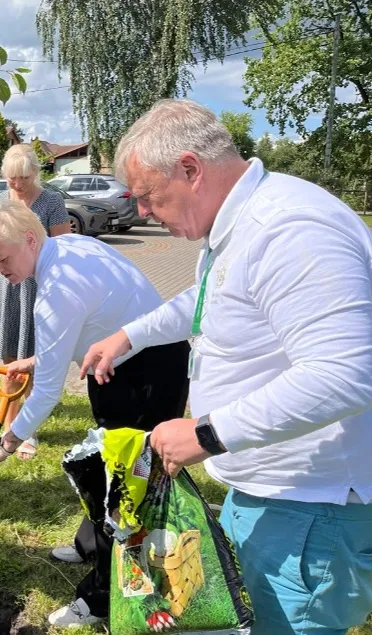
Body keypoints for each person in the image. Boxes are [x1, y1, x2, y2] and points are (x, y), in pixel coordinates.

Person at [81, 99, 372, 635]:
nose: (142, 214)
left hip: (310, 509)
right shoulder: (235, 226)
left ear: (190, 170)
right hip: (269, 492)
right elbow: (209, 297)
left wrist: (208, 433)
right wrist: (130, 335)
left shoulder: (290, 228)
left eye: (147, 197)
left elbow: (344, 374)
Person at [0, 199, 189, 628]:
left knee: (123, 487)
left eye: (2, 258)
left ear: (30, 240)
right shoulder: (71, 246)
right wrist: (35, 360)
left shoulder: (54, 295)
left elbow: (49, 392)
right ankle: (90, 543)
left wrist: (5, 445)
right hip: (134, 360)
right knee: (109, 467)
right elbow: (92, 320)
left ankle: (103, 598)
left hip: (142, 375)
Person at [0, 144, 70, 460]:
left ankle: (29, 428)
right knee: (10, 361)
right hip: (5, 289)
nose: (18, 185)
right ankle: (12, 424)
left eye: (23, 177)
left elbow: (64, 248)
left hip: (38, 290)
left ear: (35, 173)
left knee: (36, 360)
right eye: (12, 179)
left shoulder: (51, 201)